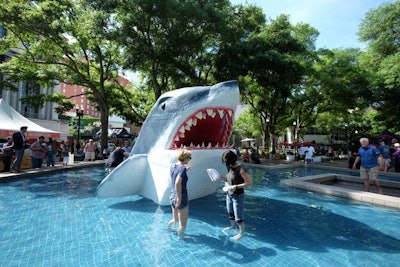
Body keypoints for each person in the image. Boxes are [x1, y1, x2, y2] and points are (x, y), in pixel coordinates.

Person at [220, 150, 252, 240]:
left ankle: (241, 232)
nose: (226, 164)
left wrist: (236, 186)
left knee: (239, 217)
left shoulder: (241, 169)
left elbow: (249, 182)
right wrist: (220, 176)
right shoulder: (230, 167)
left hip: (238, 196)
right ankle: (232, 226)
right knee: (230, 213)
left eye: (226, 161)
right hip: (229, 194)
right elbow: (228, 179)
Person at [167, 149, 192, 239]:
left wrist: (185, 169)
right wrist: (180, 199)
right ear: (186, 159)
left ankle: (168, 228)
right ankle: (181, 237)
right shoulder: (182, 169)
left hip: (172, 196)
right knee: (182, 224)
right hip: (180, 197)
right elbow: (178, 183)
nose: (190, 159)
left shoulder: (173, 166)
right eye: (190, 158)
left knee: (175, 219)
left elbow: (177, 173)